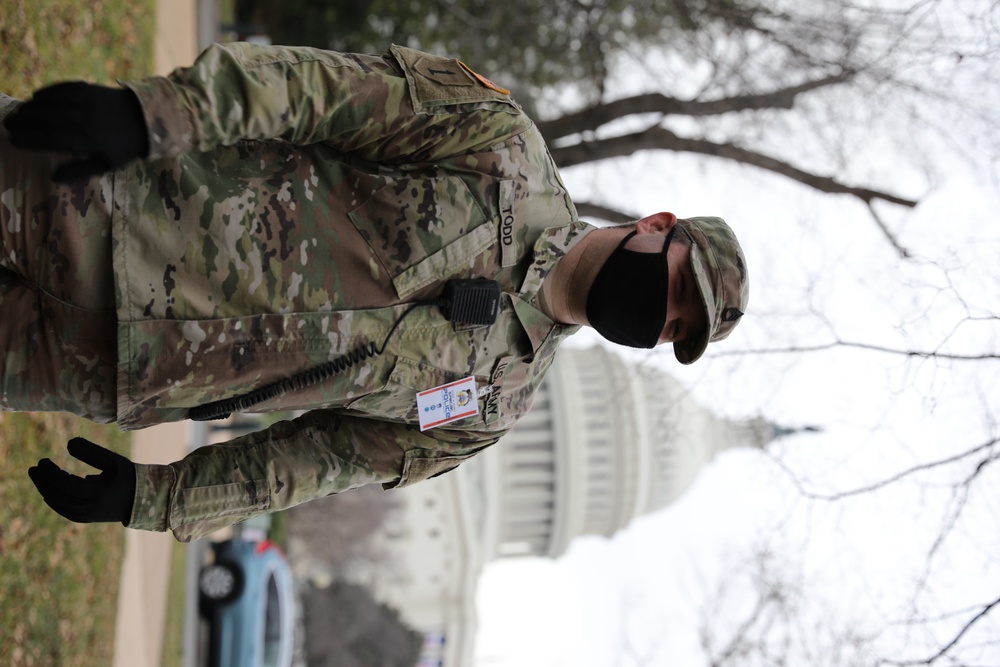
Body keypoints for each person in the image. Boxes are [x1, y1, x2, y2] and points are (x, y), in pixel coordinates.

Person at [1, 42, 748, 541]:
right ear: (657, 224)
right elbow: (319, 95)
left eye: (674, 327)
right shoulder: (502, 147)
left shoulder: (492, 404)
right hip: (104, 201)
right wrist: (154, 116)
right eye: (678, 282)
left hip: (100, 361)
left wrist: (157, 499)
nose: (662, 311)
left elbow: (319, 457)